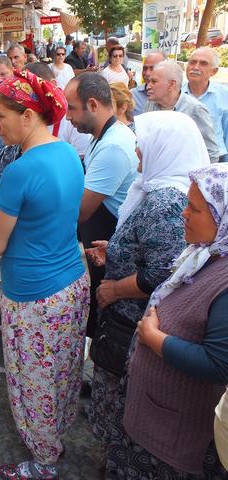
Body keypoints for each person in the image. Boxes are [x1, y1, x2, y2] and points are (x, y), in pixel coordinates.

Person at [0, 70, 88, 480]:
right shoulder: (67, 152)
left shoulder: (20, 169)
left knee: (33, 380)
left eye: (0, 116)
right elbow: (43, 208)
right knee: (63, 369)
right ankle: (58, 433)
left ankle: (43, 463)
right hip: (71, 281)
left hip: (34, 295)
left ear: (29, 115)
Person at [86, 111, 209, 460]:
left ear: (166, 147)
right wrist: (117, 250)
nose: (138, 149)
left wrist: (113, 290)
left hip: (133, 321)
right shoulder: (154, 189)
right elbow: (153, 248)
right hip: (128, 321)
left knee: (124, 413)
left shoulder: (166, 200)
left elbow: (162, 272)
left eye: (145, 143)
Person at [104, 163, 228, 479]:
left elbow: (219, 364)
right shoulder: (203, 253)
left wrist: (154, 338)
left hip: (174, 432)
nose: (184, 213)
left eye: (195, 209)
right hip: (155, 412)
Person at [64, 73, 139, 338]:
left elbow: (82, 211)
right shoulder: (100, 137)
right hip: (100, 245)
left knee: (108, 324)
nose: (67, 117)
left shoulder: (114, 146)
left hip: (113, 247)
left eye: (71, 108)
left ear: (93, 105)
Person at [145, 60, 224, 163]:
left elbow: (211, 152)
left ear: (172, 84)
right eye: (149, 81)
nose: (148, 86)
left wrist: (195, 177)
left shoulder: (195, 110)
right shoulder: (150, 105)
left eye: (154, 81)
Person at [183, 46, 228, 162]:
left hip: (216, 159)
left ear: (214, 71)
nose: (195, 67)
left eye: (203, 63)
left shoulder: (224, 95)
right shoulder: (175, 93)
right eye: (192, 62)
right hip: (183, 158)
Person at [130, 51, 166, 116]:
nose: (147, 73)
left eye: (152, 68)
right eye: (145, 68)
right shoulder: (131, 96)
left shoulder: (177, 97)